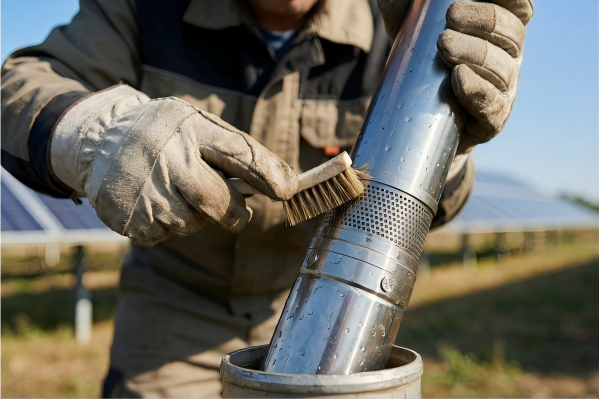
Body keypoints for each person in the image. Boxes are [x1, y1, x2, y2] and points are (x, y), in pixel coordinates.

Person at [0, 0, 533, 397]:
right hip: (175, 309)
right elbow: (17, 88)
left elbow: (437, 208)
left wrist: (442, 139)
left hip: (325, 316)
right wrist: (95, 132)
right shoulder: (145, 9)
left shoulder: (405, 33)